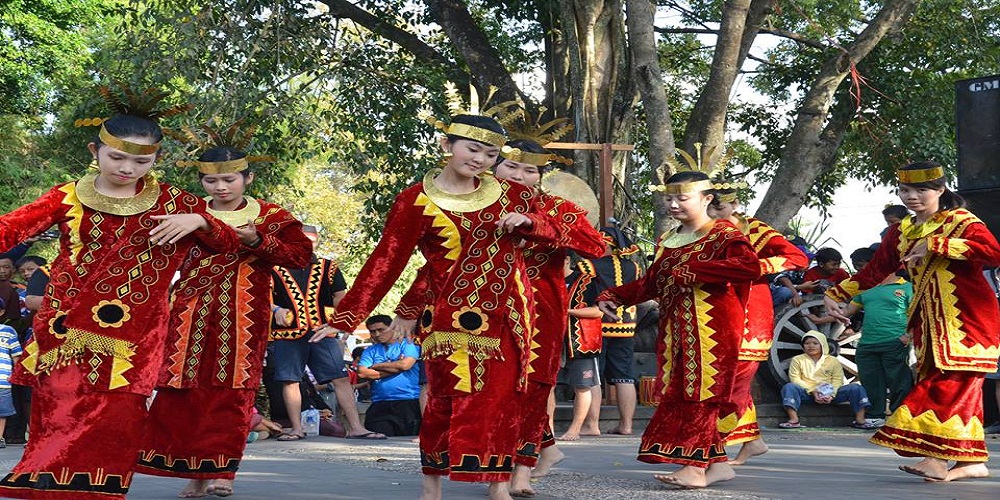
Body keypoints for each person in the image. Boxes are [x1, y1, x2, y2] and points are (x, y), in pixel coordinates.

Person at [0, 86, 244, 499]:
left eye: (141, 160)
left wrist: (201, 223)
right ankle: (47, 486)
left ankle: (99, 490)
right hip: (63, 323)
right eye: (117, 156)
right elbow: (9, 228)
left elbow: (233, 243)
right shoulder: (67, 195)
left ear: (157, 159)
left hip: (133, 332)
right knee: (58, 404)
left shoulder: (174, 202)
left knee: (116, 413)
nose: (128, 168)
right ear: (95, 149)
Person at [320, 111, 563, 500]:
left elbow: (560, 232)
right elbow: (387, 261)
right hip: (448, 320)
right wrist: (348, 317)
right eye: (472, 149)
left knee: (501, 400)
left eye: (489, 154)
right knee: (443, 403)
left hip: (510, 317)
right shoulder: (414, 201)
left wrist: (532, 224)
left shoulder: (512, 194)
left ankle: (499, 485)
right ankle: (430, 486)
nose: (480, 160)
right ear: (447, 145)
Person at [135, 134, 313, 498]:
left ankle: (223, 471)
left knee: (232, 392)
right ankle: (196, 471)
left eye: (229, 179)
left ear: (248, 178)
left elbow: (300, 256)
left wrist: (257, 241)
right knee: (183, 390)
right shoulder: (189, 213)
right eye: (211, 181)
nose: (220, 187)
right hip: (190, 312)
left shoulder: (271, 215)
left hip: (244, 315)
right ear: (201, 182)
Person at [824, 160, 1000, 482]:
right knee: (958, 389)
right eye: (906, 190)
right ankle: (968, 460)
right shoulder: (901, 231)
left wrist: (938, 244)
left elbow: (992, 252)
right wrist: (837, 294)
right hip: (927, 322)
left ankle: (935, 459)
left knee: (948, 384)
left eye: (922, 190)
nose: (913, 197)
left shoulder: (961, 222)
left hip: (968, 321)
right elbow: (876, 270)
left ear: (940, 190)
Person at [597, 170, 760, 489]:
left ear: (706, 198)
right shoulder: (669, 239)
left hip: (712, 330)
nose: (673, 205)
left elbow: (749, 267)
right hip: (676, 331)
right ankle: (718, 464)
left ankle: (694, 468)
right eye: (669, 198)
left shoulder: (723, 233)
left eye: (681, 198)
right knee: (681, 392)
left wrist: (698, 270)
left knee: (701, 393)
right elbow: (652, 283)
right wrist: (614, 295)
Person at [489, 138, 606, 497]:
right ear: (495, 166)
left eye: (530, 169)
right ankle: (532, 455)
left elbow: (595, 244)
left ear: (540, 175)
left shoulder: (555, 206)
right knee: (496, 391)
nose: (520, 175)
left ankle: (519, 472)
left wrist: (534, 223)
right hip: (487, 312)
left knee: (534, 389)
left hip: (542, 313)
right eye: (511, 166)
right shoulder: (473, 202)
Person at [707, 186, 809, 465]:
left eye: (719, 208)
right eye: (709, 207)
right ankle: (751, 442)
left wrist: (757, 266)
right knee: (721, 383)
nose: (713, 214)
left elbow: (798, 258)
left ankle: (707, 448)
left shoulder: (756, 230)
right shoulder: (702, 231)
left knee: (731, 384)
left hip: (751, 314)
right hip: (715, 316)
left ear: (735, 205)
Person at [269, 226, 384, 441]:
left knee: (340, 378)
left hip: (323, 331)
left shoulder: (328, 267)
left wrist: (341, 321)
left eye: (312, 240)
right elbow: (261, 298)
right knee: (290, 380)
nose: (308, 244)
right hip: (288, 333)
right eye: (303, 239)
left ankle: (356, 427)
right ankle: (296, 429)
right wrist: (276, 310)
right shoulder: (273, 267)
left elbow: (340, 296)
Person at [836, 269, 914, 427]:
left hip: (894, 340)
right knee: (870, 381)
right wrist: (827, 307)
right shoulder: (866, 288)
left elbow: (918, 314)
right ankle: (875, 416)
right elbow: (848, 311)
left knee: (898, 380)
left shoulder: (908, 287)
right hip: (866, 343)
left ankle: (900, 417)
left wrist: (907, 337)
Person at [587, 227, 642, 436]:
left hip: (597, 324)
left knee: (594, 376)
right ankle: (626, 425)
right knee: (624, 375)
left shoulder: (588, 265)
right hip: (627, 326)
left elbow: (584, 293)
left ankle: (592, 425)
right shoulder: (634, 267)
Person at [779, 331, 875, 429]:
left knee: (856, 388)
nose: (811, 346)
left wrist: (831, 394)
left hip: (830, 394)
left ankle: (860, 420)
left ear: (823, 345)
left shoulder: (833, 361)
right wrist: (813, 390)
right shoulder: (798, 360)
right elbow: (795, 379)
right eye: (807, 343)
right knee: (789, 387)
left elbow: (838, 380)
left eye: (815, 343)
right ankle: (794, 420)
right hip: (807, 393)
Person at [558, 256, 605, 443]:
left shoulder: (587, 280)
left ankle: (575, 428)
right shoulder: (544, 280)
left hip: (580, 341)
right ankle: (549, 428)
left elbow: (597, 311)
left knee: (582, 386)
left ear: (567, 259)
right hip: (551, 340)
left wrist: (567, 312)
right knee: (547, 386)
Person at [356, 315, 422, 437]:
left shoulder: (407, 344)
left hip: (409, 402)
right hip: (380, 404)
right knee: (380, 443)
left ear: (393, 328)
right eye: (372, 331)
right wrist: (395, 366)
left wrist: (376, 365)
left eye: (381, 330)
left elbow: (405, 365)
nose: (377, 334)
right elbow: (362, 373)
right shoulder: (370, 350)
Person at [0, 323, 22, 449]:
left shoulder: (8, 331)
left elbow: (16, 355)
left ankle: (0, 437)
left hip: (3, 378)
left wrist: (18, 375)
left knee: (2, 411)